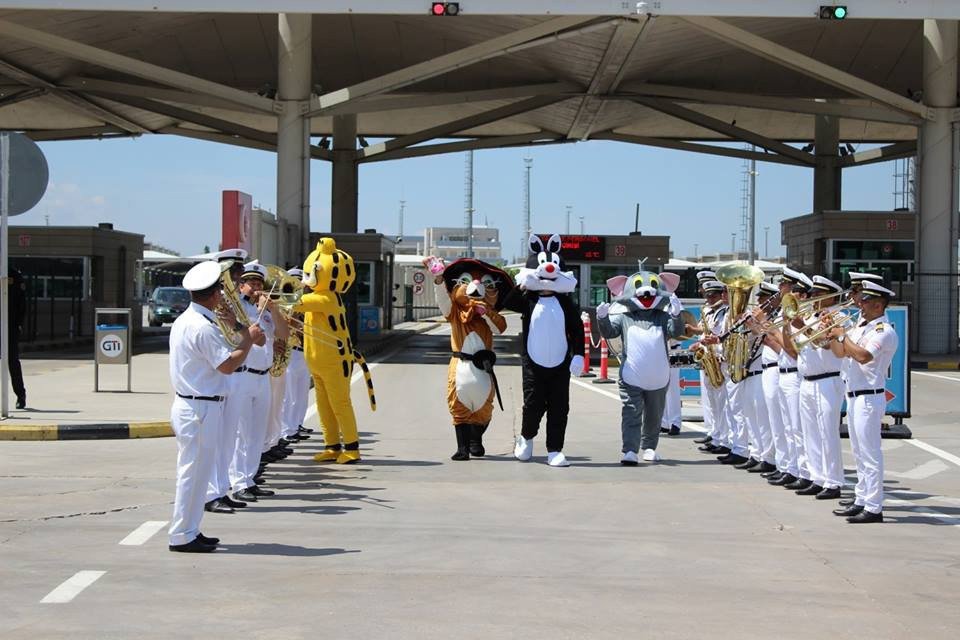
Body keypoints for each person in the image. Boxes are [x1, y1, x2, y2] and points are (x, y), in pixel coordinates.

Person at [168, 261, 261, 553]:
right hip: (199, 409)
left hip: (197, 406)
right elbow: (228, 365)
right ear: (213, 294)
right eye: (221, 290)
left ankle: (190, 530)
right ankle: (182, 534)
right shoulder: (202, 328)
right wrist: (247, 338)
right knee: (193, 474)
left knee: (198, 474)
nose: (224, 295)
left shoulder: (189, 320)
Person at [828, 281, 898, 523]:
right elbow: (840, 353)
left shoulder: (883, 331)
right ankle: (862, 499)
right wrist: (834, 336)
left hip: (869, 396)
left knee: (870, 454)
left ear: (879, 304)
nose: (861, 304)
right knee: (858, 453)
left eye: (866, 301)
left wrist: (842, 336)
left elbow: (863, 356)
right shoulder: (861, 326)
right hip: (855, 394)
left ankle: (874, 507)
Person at [7, 268, 27, 409]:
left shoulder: (13, 274)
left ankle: (20, 395)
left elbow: (22, 302)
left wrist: (19, 323)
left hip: (10, 326)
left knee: (12, 361)